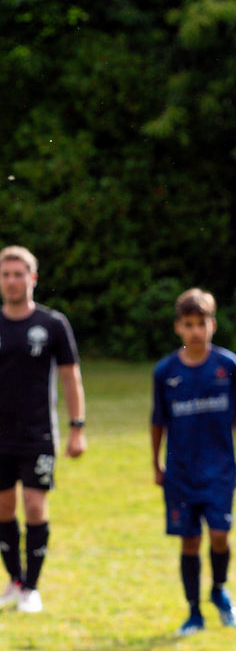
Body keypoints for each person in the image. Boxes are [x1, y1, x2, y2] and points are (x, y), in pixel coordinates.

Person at [151, 288, 236, 637]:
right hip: (181, 472)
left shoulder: (228, 366)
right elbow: (158, 421)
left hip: (219, 469)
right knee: (189, 541)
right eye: (188, 324)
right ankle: (193, 613)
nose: (195, 330)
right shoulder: (165, 372)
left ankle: (219, 589)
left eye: (201, 323)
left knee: (220, 535)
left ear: (213, 325)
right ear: (178, 327)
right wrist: (155, 464)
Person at [0, 245, 87, 614]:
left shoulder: (52, 324)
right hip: (0, 437)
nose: (12, 280)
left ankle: (32, 587)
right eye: (5, 274)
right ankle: (15, 581)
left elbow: (71, 377)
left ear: (32, 278)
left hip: (38, 434)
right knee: (3, 508)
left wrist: (77, 427)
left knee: (34, 506)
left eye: (19, 273)